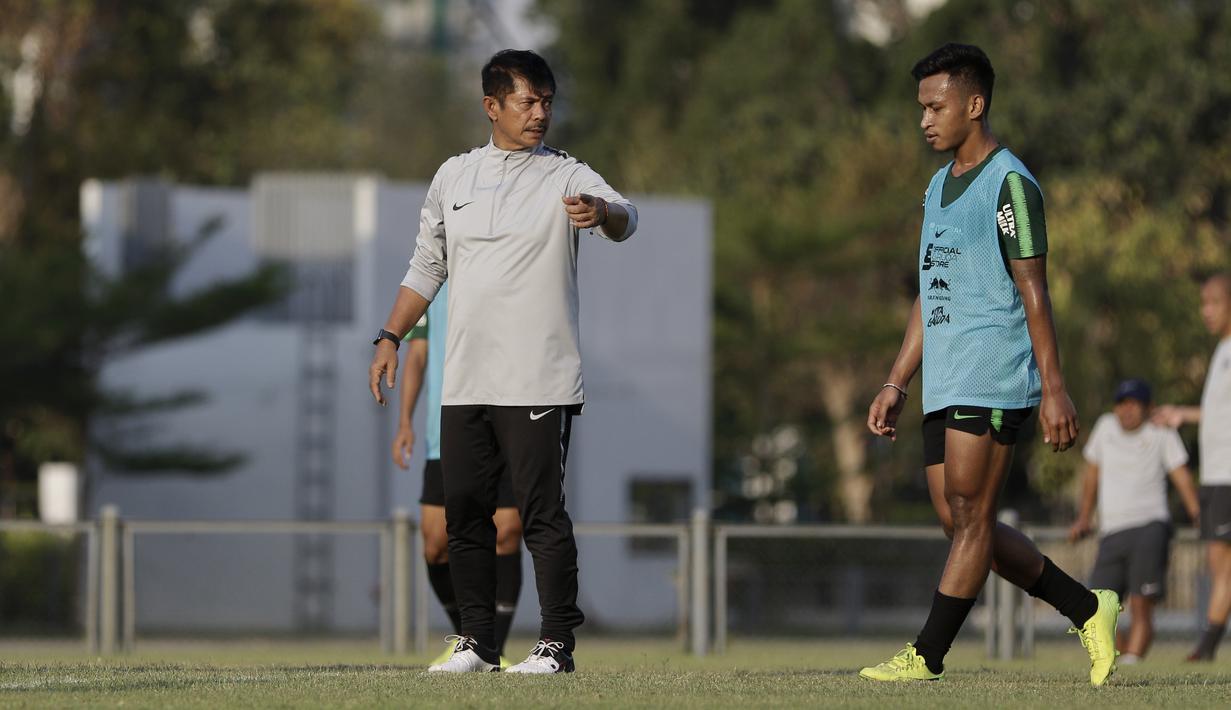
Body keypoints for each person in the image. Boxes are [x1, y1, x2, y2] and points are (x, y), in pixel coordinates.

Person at [368, 49, 638, 674]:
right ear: (492, 106)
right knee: (465, 513)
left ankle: (555, 646)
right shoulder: (453, 177)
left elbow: (627, 219)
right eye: (527, 101)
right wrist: (389, 335)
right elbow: (425, 266)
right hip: (465, 379)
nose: (540, 113)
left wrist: (602, 214)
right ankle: (477, 642)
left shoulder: (566, 175)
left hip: (539, 377)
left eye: (546, 101)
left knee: (541, 515)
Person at [862, 43, 1119, 685]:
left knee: (972, 517)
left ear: (974, 105)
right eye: (920, 108)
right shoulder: (935, 186)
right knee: (960, 520)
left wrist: (1055, 389)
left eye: (936, 106)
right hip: (945, 378)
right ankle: (1088, 607)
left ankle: (926, 655)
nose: (924, 119)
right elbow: (931, 288)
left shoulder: (1011, 184)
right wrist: (898, 379)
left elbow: (1035, 289)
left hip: (994, 372)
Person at [391, 280, 523, 668]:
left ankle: (489, 649)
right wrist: (405, 423)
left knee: (508, 531)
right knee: (434, 542)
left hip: (505, 422)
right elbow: (417, 355)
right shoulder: (429, 277)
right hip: (444, 432)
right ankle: (472, 638)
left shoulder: (502, 259)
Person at [1069, 378, 1200, 664]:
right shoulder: (1105, 427)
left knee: (1142, 605)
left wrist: (1196, 512)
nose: (1126, 411)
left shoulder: (1161, 432)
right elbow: (1092, 475)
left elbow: (1181, 474)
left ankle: (1132, 662)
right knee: (1097, 606)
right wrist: (1083, 517)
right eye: (1121, 404)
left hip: (1150, 526)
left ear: (1148, 407)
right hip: (1111, 530)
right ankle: (1124, 658)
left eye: (1133, 404)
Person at [1153, 273, 1231, 661]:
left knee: (1224, 565)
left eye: (1214, 302)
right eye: (1203, 303)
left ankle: (1207, 646)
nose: (1206, 312)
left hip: (1229, 476)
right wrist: (1181, 414)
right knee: (1219, 564)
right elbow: (1219, 413)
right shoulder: (1220, 352)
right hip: (1217, 475)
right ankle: (1209, 644)